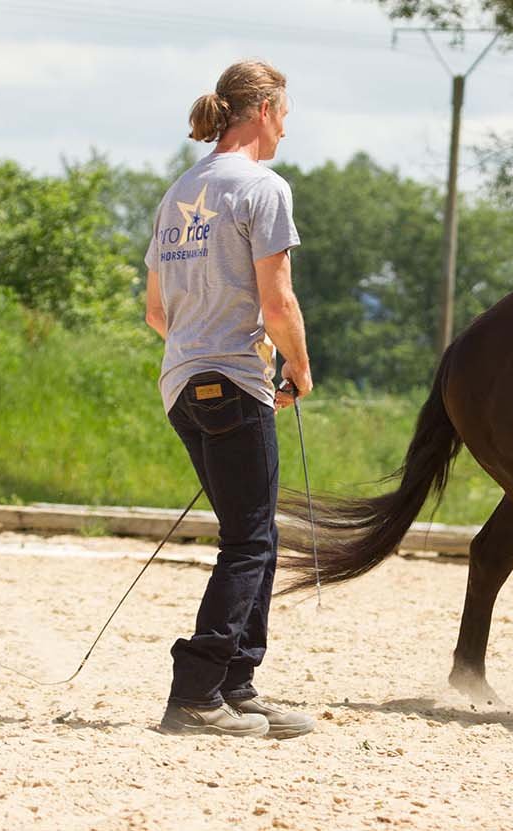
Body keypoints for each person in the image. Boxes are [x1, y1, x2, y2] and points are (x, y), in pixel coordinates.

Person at [143, 59, 315, 739]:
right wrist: (296, 366)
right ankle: (193, 691)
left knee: (255, 535)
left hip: (182, 383)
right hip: (234, 382)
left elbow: (157, 312)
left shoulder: (179, 190)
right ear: (265, 108)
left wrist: (207, 337)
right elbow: (279, 301)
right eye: (285, 113)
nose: (286, 127)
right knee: (248, 540)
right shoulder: (262, 188)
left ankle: (238, 685)